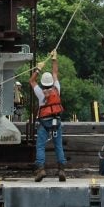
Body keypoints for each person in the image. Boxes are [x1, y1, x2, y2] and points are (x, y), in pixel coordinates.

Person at [29, 50, 67, 182]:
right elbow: (55, 72)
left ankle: (40, 170)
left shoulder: (40, 93)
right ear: (51, 81)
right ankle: (61, 170)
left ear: (43, 83)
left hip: (44, 123)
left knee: (40, 146)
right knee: (58, 145)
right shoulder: (57, 88)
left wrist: (38, 69)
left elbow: (32, 81)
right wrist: (54, 59)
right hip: (56, 122)